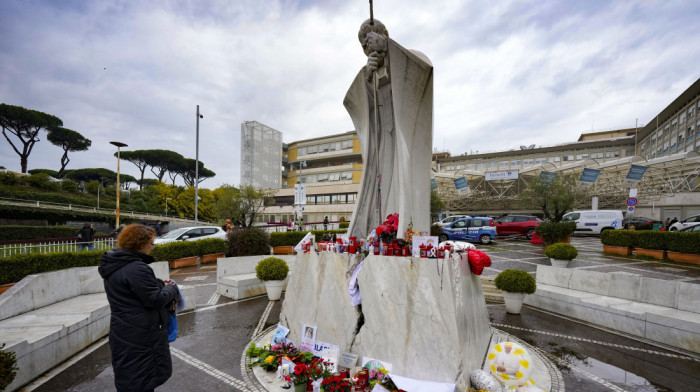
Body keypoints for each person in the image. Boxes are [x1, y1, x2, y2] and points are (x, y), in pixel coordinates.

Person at [345, 18, 433, 240]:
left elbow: (423, 69)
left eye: (370, 41)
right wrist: (367, 80)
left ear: (383, 35)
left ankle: (403, 232)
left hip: (404, 136)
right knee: (382, 186)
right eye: (364, 46)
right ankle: (381, 231)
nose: (368, 48)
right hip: (382, 140)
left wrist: (388, 49)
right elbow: (360, 106)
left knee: (402, 183)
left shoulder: (406, 58)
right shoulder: (370, 71)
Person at [98, 224, 179, 392]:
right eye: (151, 243)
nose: (153, 246)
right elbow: (155, 299)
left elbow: (132, 292)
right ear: (139, 243)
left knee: (131, 378)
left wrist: (157, 284)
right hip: (141, 335)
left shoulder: (116, 265)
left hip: (125, 330)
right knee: (142, 379)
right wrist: (171, 289)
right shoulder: (137, 268)